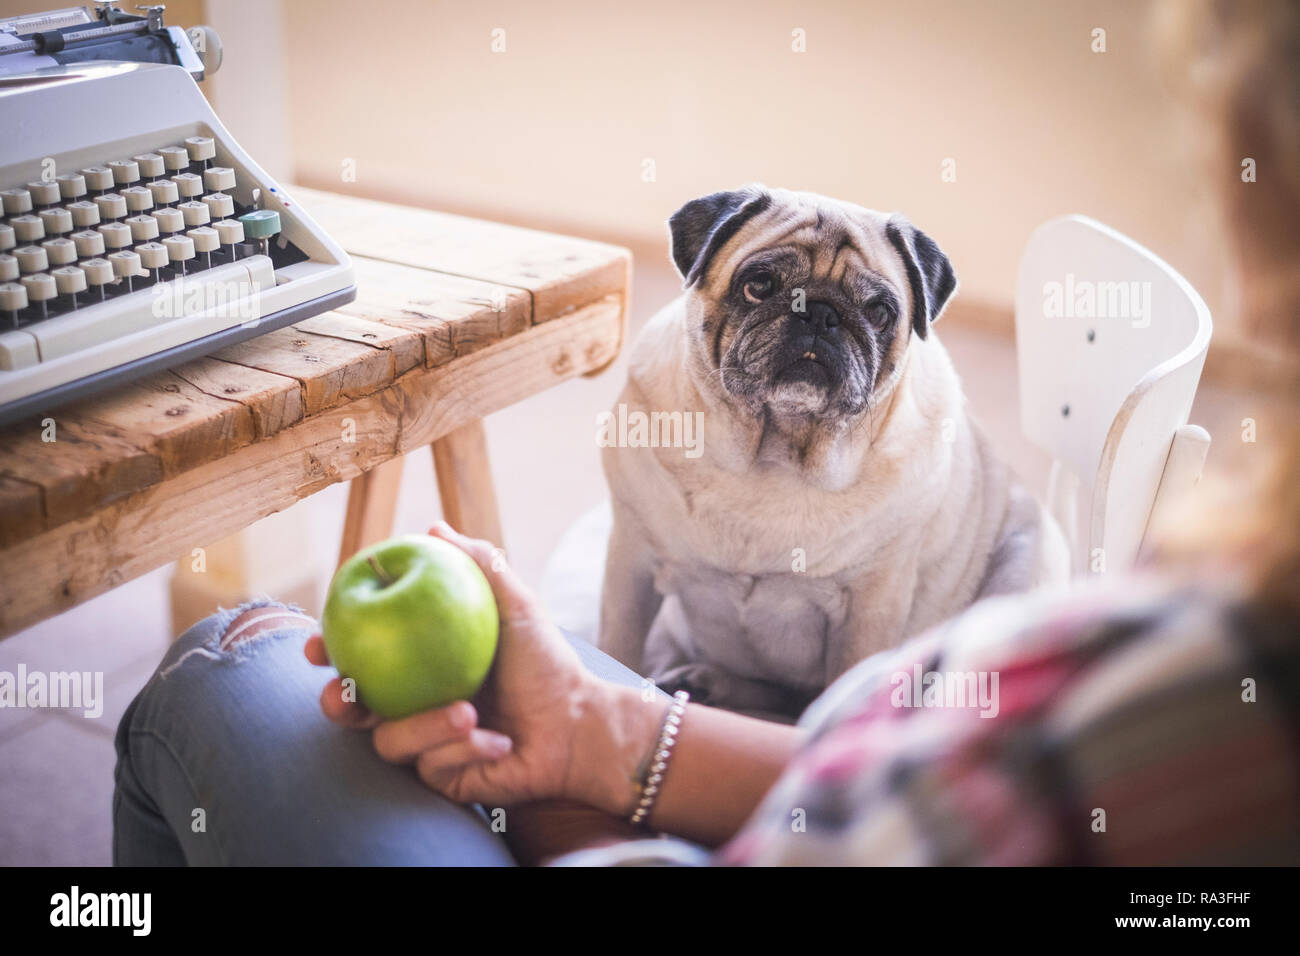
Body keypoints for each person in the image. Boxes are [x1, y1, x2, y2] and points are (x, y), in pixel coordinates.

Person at [113, 0, 1300, 866]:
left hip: (805, 725)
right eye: (765, 290)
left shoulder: (1095, 719)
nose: (809, 327)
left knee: (225, 662)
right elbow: (846, 759)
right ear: (699, 277)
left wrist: (564, 812)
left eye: (863, 315)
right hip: (755, 739)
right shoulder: (1194, 669)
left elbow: (858, 755)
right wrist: (603, 725)